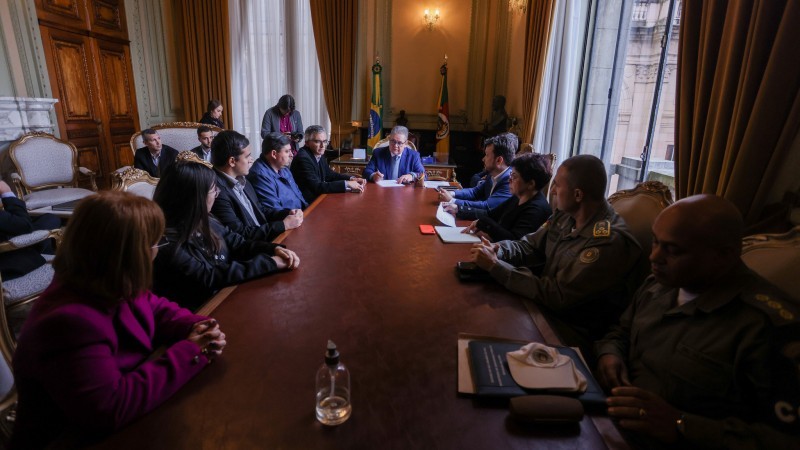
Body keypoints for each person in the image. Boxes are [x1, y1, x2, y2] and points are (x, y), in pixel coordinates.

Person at [11, 191, 226, 448]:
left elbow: (156, 309)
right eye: (154, 243)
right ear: (128, 254)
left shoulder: (107, 279)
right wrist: (191, 350)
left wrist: (197, 325)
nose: (157, 250)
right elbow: (109, 408)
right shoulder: (68, 321)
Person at [595, 195, 800, 449]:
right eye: (656, 242)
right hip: (610, 424)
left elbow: (785, 440)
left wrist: (682, 425)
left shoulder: (767, 329)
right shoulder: (657, 287)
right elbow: (620, 332)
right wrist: (610, 354)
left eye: (673, 250)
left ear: (723, 255)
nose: (654, 257)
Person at [469, 154, 645, 357]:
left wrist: (497, 267)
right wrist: (499, 249)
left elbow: (557, 295)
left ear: (578, 195)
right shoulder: (565, 215)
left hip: (572, 331)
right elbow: (530, 246)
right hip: (542, 308)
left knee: (487, 340)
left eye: (558, 186)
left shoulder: (607, 241)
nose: (551, 191)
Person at [152, 155, 300, 310]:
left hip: (227, 295)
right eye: (213, 190)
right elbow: (210, 277)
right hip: (204, 311)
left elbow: (238, 243)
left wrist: (273, 249)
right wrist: (270, 262)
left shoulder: (206, 219)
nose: (217, 194)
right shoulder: (165, 243)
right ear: (195, 198)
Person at [211, 130, 303, 241]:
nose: (251, 160)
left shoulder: (242, 179)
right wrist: (284, 225)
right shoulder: (215, 193)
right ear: (232, 161)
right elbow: (240, 234)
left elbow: (261, 210)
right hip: (254, 248)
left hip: (266, 237)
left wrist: (287, 213)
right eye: (247, 156)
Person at [462, 153, 552, 241]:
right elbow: (490, 214)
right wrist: (459, 210)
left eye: (514, 176)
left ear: (531, 184)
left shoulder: (537, 210)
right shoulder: (518, 196)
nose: (509, 180)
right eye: (511, 174)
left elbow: (514, 240)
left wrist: (484, 223)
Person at [439, 133, 516, 219]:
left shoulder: (510, 181)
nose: (483, 159)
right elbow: (475, 192)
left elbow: (486, 206)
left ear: (499, 160)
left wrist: (452, 200)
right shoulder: (493, 174)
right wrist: (452, 194)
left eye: (487, 155)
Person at [0, 180, 60, 281]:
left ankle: (41, 248)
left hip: (8, 235)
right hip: (7, 261)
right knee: (49, 226)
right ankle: (41, 252)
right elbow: (24, 225)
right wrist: (6, 192)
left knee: (50, 219)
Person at [291, 125, 366, 203]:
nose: (322, 146)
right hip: (306, 204)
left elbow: (329, 174)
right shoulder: (303, 158)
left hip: (319, 198)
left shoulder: (318, 152)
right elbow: (317, 187)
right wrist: (347, 184)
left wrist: (351, 179)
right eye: (317, 141)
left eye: (324, 141)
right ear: (307, 143)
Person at [247, 132, 308, 211]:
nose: (292, 155)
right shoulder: (259, 175)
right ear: (274, 154)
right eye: (287, 151)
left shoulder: (284, 168)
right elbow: (275, 211)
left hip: (302, 213)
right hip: (288, 219)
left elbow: (299, 196)